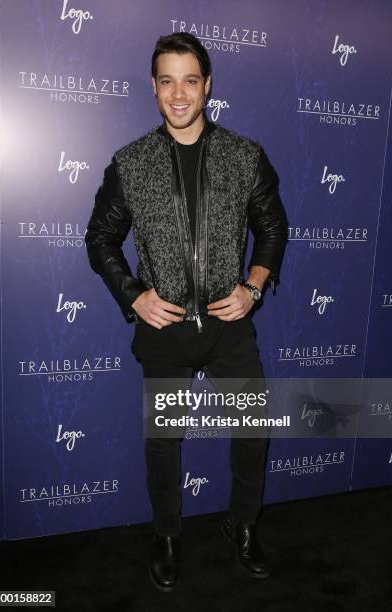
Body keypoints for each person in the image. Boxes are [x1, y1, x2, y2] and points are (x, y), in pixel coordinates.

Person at [85, 32, 288, 592]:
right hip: (166, 327)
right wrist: (133, 293)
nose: (179, 94)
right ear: (154, 88)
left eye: (190, 80)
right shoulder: (131, 163)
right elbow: (100, 238)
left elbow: (273, 229)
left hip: (229, 326)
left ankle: (243, 525)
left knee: (252, 429)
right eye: (167, 80)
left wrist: (254, 287)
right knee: (164, 441)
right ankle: (168, 534)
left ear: (207, 86)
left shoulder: (245, 156)